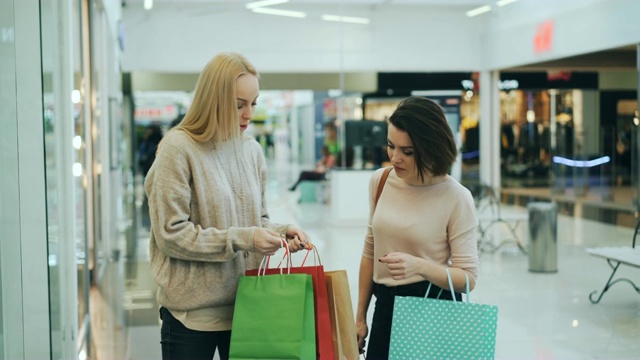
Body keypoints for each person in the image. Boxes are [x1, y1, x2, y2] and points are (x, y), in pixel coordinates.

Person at [144, 52, 312, 360]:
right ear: (213, 100)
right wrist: (244, 238)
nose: (249, 114)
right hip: (191, 319)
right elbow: (171, 234)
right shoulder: (177, 149)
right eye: (238, 105)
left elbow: (255, 221)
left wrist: (280, 232)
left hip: (249, 308)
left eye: (254, 103)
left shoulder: (252, 151)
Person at [355, 96, 479, 359]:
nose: (395, 157)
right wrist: (359, 317)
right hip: (384, 307)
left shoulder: (456, 197)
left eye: (407, 152)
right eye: (391, 146)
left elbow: (468, 279)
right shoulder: (381, 181)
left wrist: (419, 266)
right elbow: (369, 252)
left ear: (430, 148)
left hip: (431, 309)